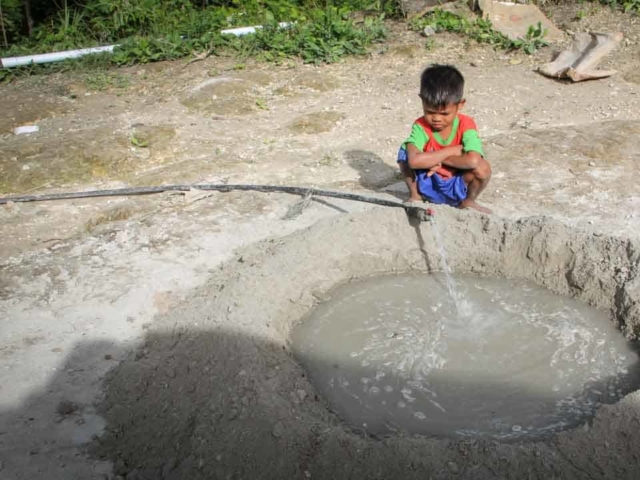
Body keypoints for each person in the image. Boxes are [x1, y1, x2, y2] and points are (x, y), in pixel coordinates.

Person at [397, 64, 492, 213]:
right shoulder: (421, 126)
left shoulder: (466, 124)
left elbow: (473, 160)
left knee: (482, 167)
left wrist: (435, 159)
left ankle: (467, 201)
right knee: (405, 150)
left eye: (444, 114)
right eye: (429, 112)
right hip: (428, 180)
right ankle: (416, 196)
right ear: (421, 100)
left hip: (455, 183)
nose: (436, 119)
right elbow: (414, 161)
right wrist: (452, 151)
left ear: (460, 104)